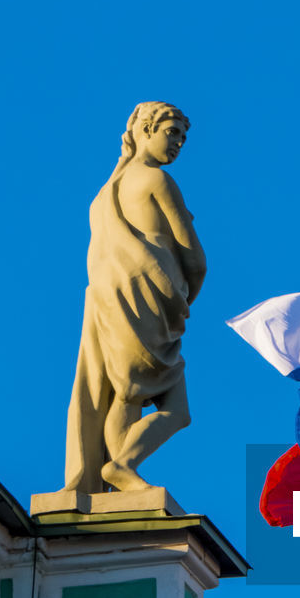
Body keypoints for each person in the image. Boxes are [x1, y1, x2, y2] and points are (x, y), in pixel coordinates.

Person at [64, 101, 207, 493]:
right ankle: (123, 466)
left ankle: (118, 475)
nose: (177, 142)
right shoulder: (157, 181)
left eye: (182, 136)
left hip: (111, 299)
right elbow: (195, 259)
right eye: (171, 131)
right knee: (173, 410)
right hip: (151, 300)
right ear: (146, 129)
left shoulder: (107, 191)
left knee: (123, 394)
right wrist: (182, 299)